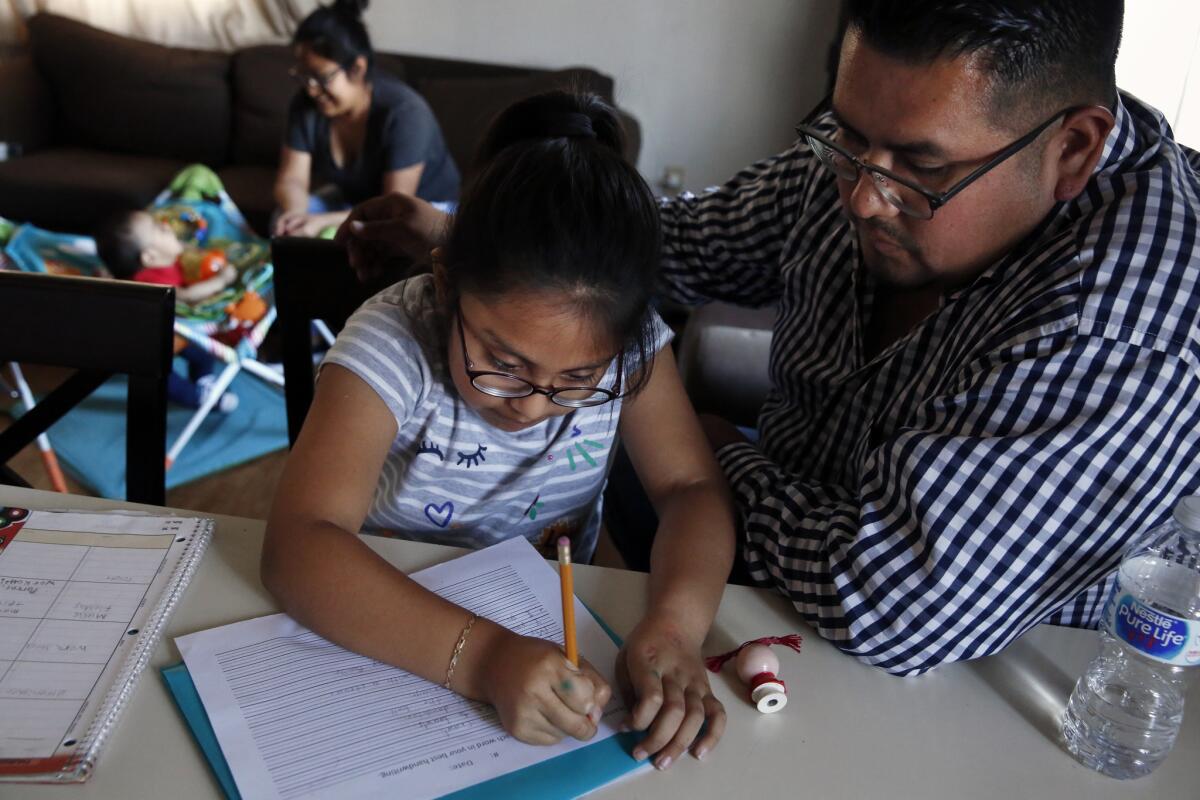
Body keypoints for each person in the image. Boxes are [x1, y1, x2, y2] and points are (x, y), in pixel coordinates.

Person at [334, 1, 1200, 677]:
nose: (861, 196)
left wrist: (718, 457)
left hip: (981, 674)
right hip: (755, 565)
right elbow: (650, 252)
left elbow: (894, 607)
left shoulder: (1129, 330)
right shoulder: (873, 163)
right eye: (848, 140)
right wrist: (480, 235)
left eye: (922, 169)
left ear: (1074, 148)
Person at [262, 91, 735, 769]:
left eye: (579, 380)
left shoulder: (637, 352)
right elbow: (297, 545)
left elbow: (691, 487)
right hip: (384, 629)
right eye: (500, 363)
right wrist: (483, 659)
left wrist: (676, 627)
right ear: (447, 285)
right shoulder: (391, 344)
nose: (533, 406)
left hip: (548, 634)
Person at [272, 0, 459, 238]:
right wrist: (296, 214)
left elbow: (394, 208)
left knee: (343, 234)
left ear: (357, 68)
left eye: (321, 77)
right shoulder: (306, 105)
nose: (311, 89)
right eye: (303, 75)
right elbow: (292, 179)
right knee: (283, 220)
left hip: (423, 209)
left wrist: (320, 222)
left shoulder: (405, 113)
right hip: (359, 201)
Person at [95, 210, 240, 413]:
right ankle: (198, 397)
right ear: (151, 257)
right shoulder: (150, 281)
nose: (165, 225)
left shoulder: (167, 260)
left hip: (176, 332)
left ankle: (204, 379)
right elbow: (187, 294)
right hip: (148, 344)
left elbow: (185, 249)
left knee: (203, 354)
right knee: (162, 379)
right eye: (158, 229)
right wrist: (221, 280)